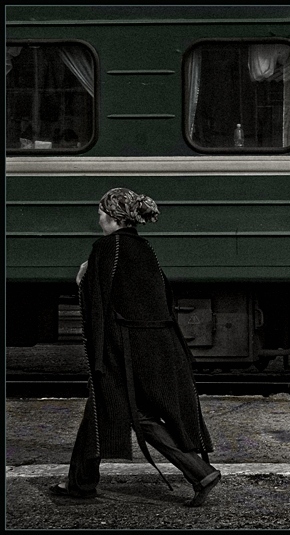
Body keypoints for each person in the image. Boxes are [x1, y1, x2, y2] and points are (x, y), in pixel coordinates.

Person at [50, 188, 220, 506]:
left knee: (129, 412)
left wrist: (82, 280)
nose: (98, 217)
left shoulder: (106, 247)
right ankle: (81, 483)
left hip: (125, 350)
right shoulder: (143, 248)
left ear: (114, 217)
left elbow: (99, 304)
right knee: (108, 410)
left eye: (101, 212)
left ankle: (199, 472)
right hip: (157, 345)